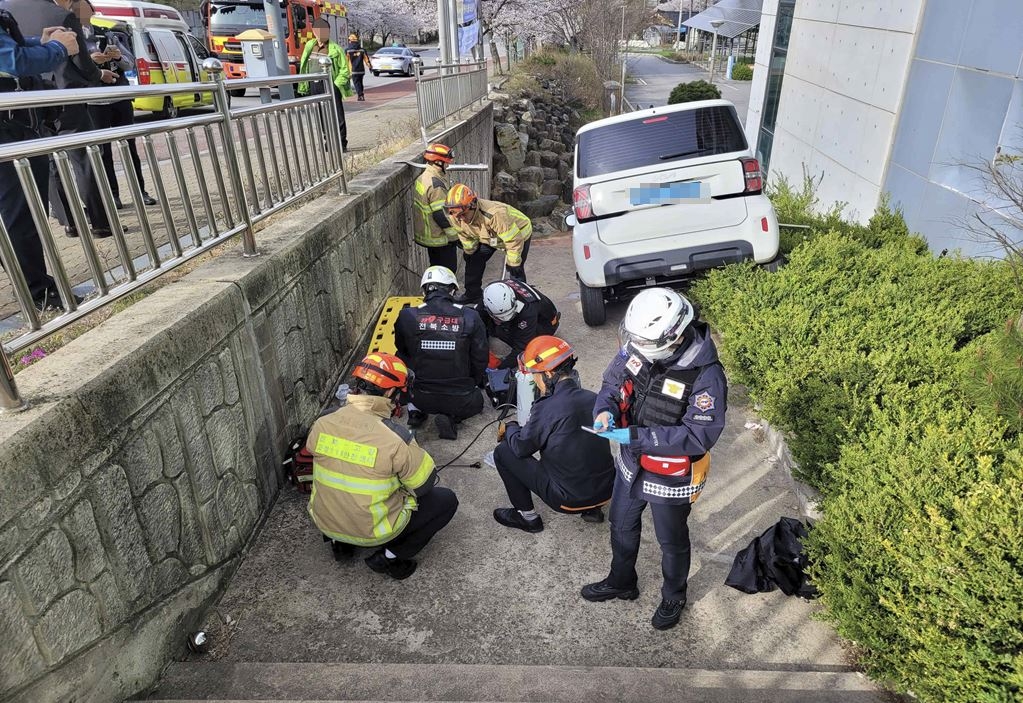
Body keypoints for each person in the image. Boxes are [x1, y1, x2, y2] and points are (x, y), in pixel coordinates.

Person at [583, 288, 728, 631]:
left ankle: (674, 596)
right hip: (631, 460)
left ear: (673, 337)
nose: (637, 351)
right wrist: (604, 410)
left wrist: (639, 436)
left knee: (671, 540)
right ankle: (621, 580)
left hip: (671, 471)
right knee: (620, 523)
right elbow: (613, 381)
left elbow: (698, 435)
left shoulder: (706, 376)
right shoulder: (640, 342)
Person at [306, 352, 459, 580]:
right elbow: (424, 484)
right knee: (445, 501)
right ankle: (390, 556)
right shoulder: (396, 438)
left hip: (326, 522)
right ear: (390, 392)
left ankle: (341, 545)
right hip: (375, 531)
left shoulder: (323, 421)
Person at [4, 0, 117, 238]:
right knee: (83, 158)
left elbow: (18, 50)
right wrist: (99, 74)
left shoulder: (10, 7)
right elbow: (81, 60)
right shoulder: (60, 15)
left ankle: (69, 222)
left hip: (30, 100)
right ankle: (99, 224)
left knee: (49, 160)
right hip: (65, 95)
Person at [0, 9, 82, 311]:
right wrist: (58, 48)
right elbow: (12, 62)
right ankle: (39, 294)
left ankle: (34, 288)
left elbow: (11, 52)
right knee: (20, 215)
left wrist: (39, 42)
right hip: (8, 130)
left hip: (16, 126)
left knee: (18, 214)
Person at [492, 335, 615, 533]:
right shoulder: (594, 398)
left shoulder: (546, 408)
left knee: (504, 451)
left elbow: (522, 447)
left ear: (548, 374)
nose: (534, 379)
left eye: (535, 374)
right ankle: (593, 509)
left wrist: (511, 427)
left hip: (566, 499)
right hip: (608, 489)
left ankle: (527, 517)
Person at [394, 265, 487, 440]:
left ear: (425, 290)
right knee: (477, 402)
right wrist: (472, 382)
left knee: (402, 356)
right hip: (460, 397)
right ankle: (451, 416)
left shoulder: (407, 315)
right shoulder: (470, 316)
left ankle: (416, 412)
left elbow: (402, 349)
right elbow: (480, 358)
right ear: (452, 290)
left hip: (420, 395)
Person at [88, 17, 156, 209]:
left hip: (120, 98)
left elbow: (130, 63)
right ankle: (113, 195)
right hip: (94, 102)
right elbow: (75, 68)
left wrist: (117, 57)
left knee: (128, 146)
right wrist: (91, 61)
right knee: (103, 151)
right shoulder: (73, 38)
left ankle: (140, 191)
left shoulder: (108, 35)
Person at [444, 183, 532, 305]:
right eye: (457, 215)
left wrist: (513, 262)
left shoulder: (494, 214)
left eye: (463, 214)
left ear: (473, 205)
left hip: (519, 233)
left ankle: (521, 300)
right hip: (489, 237)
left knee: (515, 270)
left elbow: (513, 240)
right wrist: (469, 251)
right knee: (473, 261)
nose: (461, 219)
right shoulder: (455, 216)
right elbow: (465, 235)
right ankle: (472, 294)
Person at [482, 278, 560, 370]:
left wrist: (499, 368)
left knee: (501, 331)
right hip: (532, 313)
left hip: (546, 324)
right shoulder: (490, 291)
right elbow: (477, 317)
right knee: (490, 325)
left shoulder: (528, 311)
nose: (505, 319)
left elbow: (521, 348)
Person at [298, 17, 351, 151]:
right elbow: (304, 66)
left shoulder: (335, 49)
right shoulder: (310, 46)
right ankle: (328, 141)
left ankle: (341, 142)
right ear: (314, 31)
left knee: (337, 114)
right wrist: (305, 83)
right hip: (315, 84)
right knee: (321, 114)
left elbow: (345, 69)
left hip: (331, 83)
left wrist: (336, 83)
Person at [413, 143, 459, 272]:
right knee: (448, 272)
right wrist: (454, 237)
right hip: (440, 239)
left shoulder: (422, 178)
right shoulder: (436, 184)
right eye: (446, 163)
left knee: (435, 270)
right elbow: (440, 214)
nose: (448, 165)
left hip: (429, 236)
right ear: (438, 162)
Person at [344, 32, 371, 101]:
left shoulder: (347, 51)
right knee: (360, 82)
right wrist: (370, 66)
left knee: (356, 83)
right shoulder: (362, 50)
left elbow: (345, 61)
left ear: (350, 41)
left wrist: (344, 70)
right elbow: (366, 59)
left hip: (353, 70)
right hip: (361, 70)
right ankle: (361, 94)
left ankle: (360, 95)